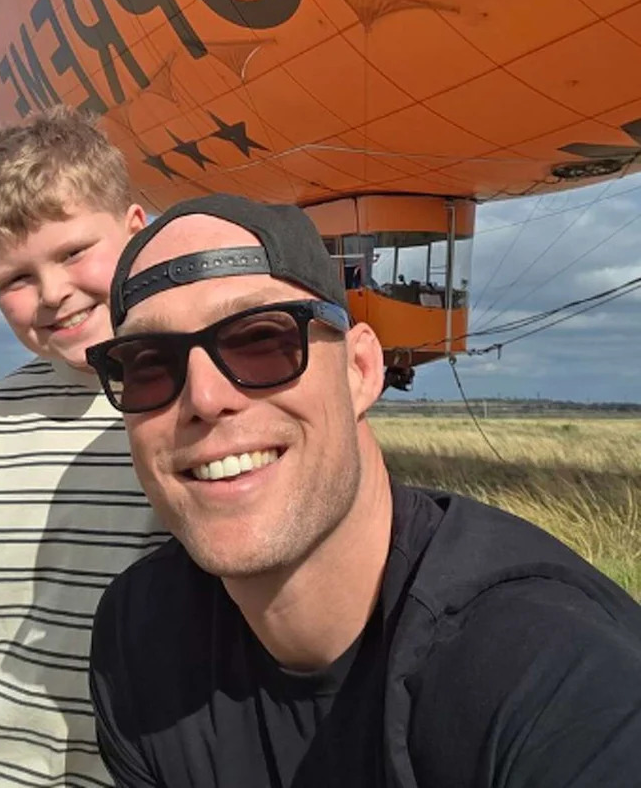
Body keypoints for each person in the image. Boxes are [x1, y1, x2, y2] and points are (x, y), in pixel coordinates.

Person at [86, 193, 641, 787]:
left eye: (261, 340)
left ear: (360, 371)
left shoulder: (548, 667)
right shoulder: (140, 633)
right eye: (148, 364)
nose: (204, 398)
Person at [0, 108, 165, 788]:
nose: (52, 293)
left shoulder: (194, 396)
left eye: (74, 251)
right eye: (14, 281)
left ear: (138, 232)